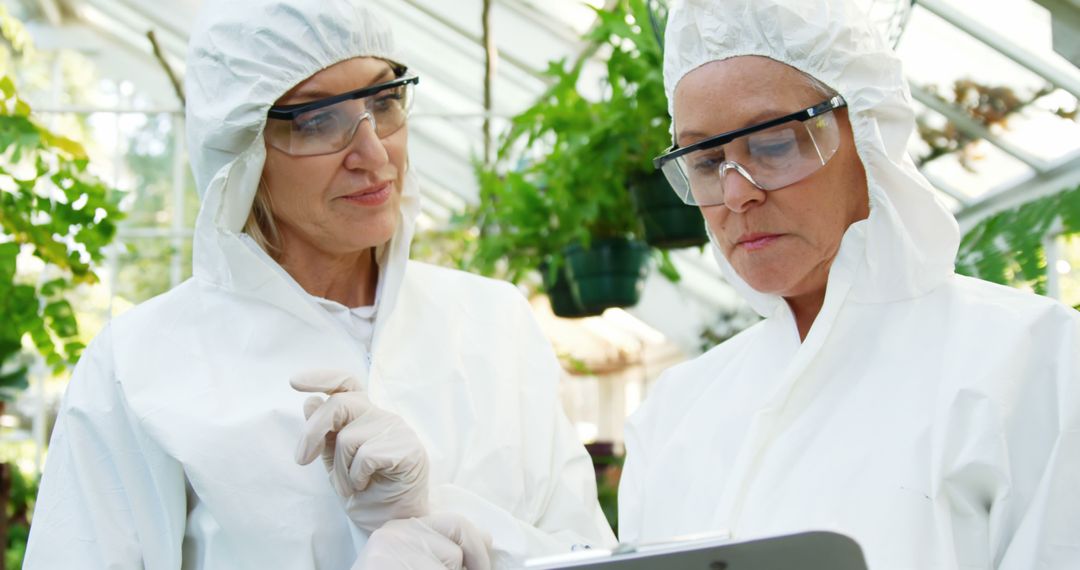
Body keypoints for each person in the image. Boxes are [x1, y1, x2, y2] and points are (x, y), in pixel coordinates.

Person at [24, 0, 615, 568]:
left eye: (383, 101)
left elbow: (593, 557)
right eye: (315, 120)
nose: (372, 151)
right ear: (243, 153)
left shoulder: (495, 322)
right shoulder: (142, 364)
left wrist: (449, 522)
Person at [617, 0, 1080, 568]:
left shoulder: (1035, 361)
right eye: (708, 161)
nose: (738, 194)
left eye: (773, 143)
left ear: (868, 133)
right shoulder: (674, 412)